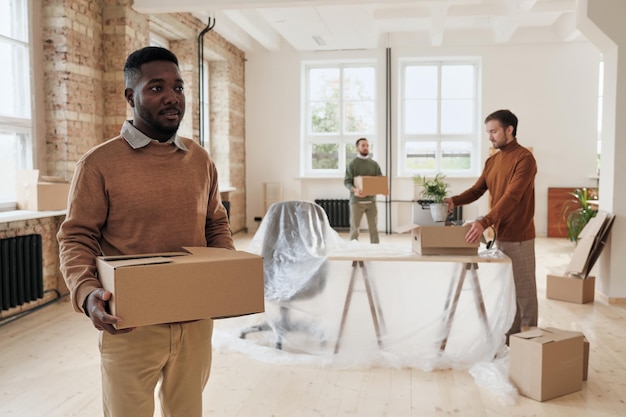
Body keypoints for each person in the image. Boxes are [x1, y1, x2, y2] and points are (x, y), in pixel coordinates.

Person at [57, 46, 234, 417]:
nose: (172, 97)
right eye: (156, 88)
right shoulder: (98, 164)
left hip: (194, 319)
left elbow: (215, 222)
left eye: (179, 88)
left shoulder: (200, 159)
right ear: (130, 96)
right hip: (130, 325)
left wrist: (225, 277)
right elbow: (76, 237)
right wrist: (88, 295)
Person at [444, 109, 537, 340]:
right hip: (500, 235)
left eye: (494, 131)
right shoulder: (492, 161)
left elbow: (512, 196)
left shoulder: (525, 159)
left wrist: (484, 221)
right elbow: (477, 190)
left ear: (509, 130)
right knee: (508, 290)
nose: (490, 137)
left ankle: (531, 343)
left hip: (519, 235)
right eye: (488, 132)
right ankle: (511, 339)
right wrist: (453, 201)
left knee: (524, 292)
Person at [344, 137, 383, 243]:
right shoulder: (352, 164)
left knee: (374, 228)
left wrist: (380, 187)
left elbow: (380, 181)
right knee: (354, 228)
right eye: (363, 145)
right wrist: (355, 190)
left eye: (367, 145)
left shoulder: (374, 164)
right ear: (357, 148)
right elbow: (347, 182)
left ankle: (375, 250)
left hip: (371, 201)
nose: (366, 148)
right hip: (356, 202)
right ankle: (353, 251)